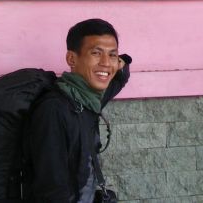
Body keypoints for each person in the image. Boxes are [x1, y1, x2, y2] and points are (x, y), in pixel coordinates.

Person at [23, 18, 130, 202]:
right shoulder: (54, 110)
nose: (106, 62)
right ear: (72, 59)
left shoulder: (90, 98)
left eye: (112, 55)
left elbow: (120, 78)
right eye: (96, 53)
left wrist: (121, 63)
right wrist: (112, 63)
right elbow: (51, 190)